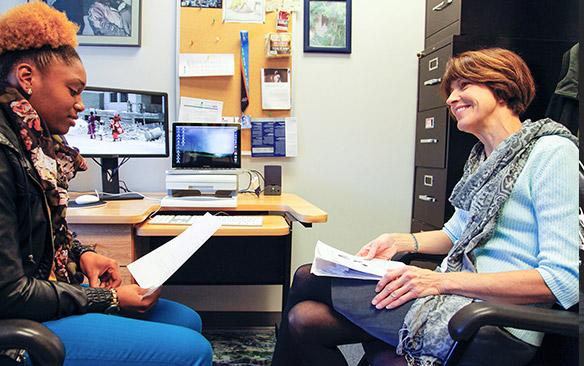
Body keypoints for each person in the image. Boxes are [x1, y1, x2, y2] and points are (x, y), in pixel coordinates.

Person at [271, 48, 578, 366]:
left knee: (309, 277)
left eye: (463, 86)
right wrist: (401, 240)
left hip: (496, 321)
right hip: (454, 297)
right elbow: (456, 232)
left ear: (501, 87)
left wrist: (440, 281)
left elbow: (560, 281)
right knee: (304, 319)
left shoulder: (552, 152)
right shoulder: (483, 158)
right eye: (450, 90)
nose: (450, 99)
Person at [0, 3, 212, 365]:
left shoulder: (33, 146)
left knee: (187, 320)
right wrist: (108, 300)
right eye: (73, 90)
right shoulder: (5, 154)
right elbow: (9, 293)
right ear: (26, 77)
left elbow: (38, 235)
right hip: (21, 320)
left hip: (46, 295)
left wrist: (83, 256)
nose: (81, 105)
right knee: (195, 351)